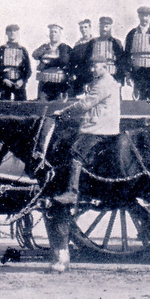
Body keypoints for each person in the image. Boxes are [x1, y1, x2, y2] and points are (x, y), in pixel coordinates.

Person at [53, 61, 122, 205]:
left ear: (105, 67)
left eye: (96, 66)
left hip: (99, 128)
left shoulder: (103, 84)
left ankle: (72, 192)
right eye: (92, 66)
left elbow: (85, 104)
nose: (92, 69)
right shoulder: (108, 82)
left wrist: (63, 113)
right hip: (107, 126)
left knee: (76, 152)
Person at [124, 6, 150, 100]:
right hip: (137, 72)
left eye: (146, 16)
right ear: (138, 16)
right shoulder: (132, 33)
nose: (144, 19)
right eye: (142, 16)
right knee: (139, 100)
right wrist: (128, 75)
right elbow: (126, 55)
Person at [32, 24, 72, 101]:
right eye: (51, 32)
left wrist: (47, 63)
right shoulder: (45, 46)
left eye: (55, 32)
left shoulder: (64, 47)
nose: (53, 34)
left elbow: (64, 60)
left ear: (60, 34)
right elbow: (35, 54)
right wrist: (45, 48)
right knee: (42, 103)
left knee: (58, 104)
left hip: (59, 82)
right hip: (45, 81)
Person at [0, 24, 32, 101]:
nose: (12, 33)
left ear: (17, 33)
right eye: (10, 31)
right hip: (5, 82)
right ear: (6, 33)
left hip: (19, 83)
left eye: (14, 31)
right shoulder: (2, 49)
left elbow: (28, 69)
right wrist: (3, 79)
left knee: (21, 105)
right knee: (3, 104)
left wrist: (22, 80)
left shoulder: (22, 50)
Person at [86, 17, 125, 86]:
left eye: (106, 26)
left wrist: (119, 79)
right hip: (96, 76)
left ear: (110, 27)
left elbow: (121, 62)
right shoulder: (93, 42)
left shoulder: (116, 43)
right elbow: (87, 61)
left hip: (112, 75)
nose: (104, 29)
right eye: (102, 26)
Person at [69, 19, 95, 95]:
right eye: (81, 28)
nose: (83, 30)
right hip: (80, 75)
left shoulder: (95, 42)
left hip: (92, 74)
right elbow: (72, 61)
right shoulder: (77, 45)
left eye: (85, 27)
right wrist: (72, 73)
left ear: (90, 28)